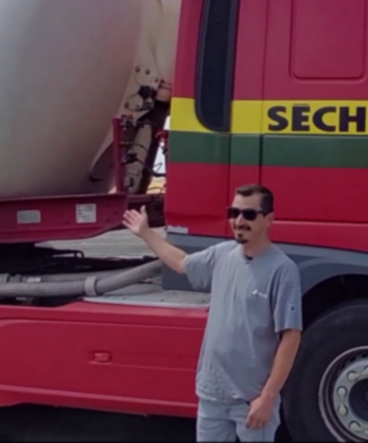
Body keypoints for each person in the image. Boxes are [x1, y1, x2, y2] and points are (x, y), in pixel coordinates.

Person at [122, 184, 303, 442]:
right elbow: (182, 263)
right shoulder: (222, 254)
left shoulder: (282, 270)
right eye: (234, 212)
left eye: (249, 215)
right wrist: (145, 233)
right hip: (212, 395)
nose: (239, 221)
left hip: (251, 399)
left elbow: (290, 337)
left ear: (269, 219)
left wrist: (268, 397)